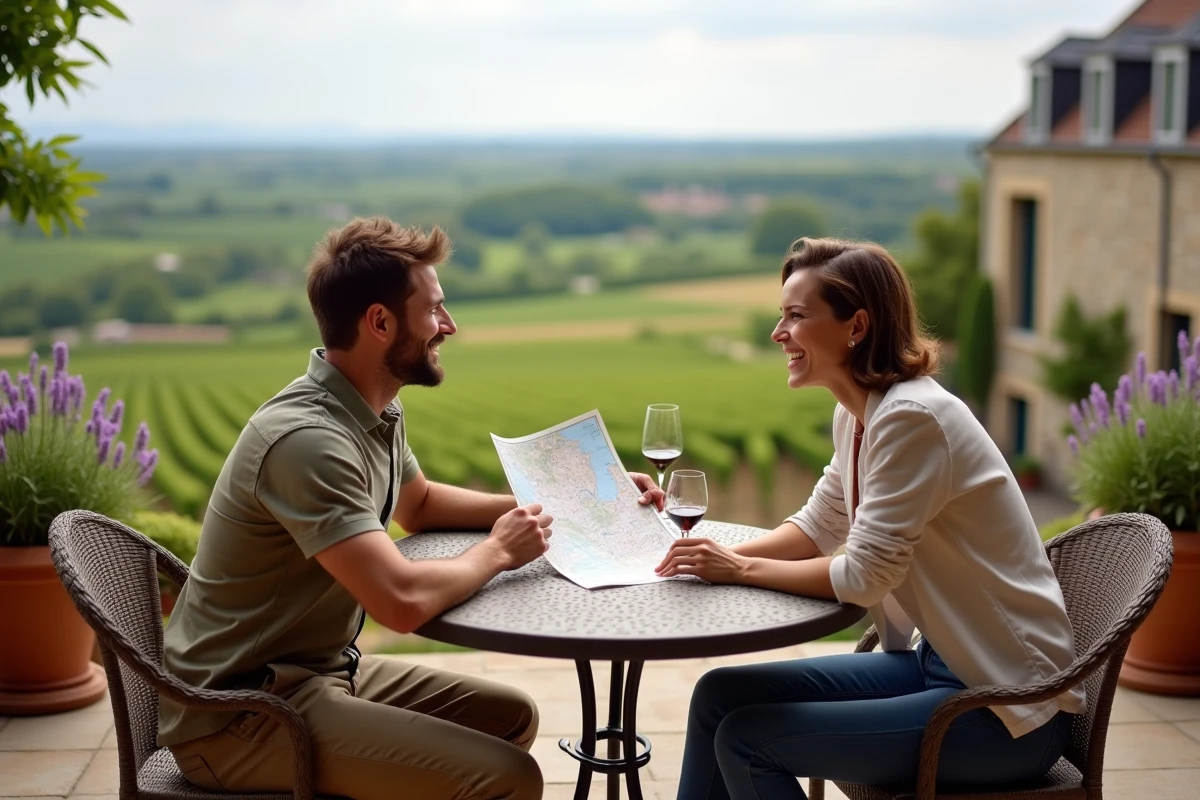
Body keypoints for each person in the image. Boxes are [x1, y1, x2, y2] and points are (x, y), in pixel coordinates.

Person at [158, 216, 665, 800]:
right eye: (434, 310)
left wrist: (579, 499)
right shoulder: (308, 441)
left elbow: (418, 504)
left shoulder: (371, 409)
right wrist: (497, 551)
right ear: (380, 322)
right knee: (507, 777)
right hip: (238, 714)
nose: (448, 325)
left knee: (510, 716)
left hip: (317, 673)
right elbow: (399, 601)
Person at [656, 238, 1085, 800]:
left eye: (796, 316)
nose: (777, 333)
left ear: (855, 326)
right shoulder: (860, 414)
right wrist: (698, 551)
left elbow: (862, 578)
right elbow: (814, 529)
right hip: (942, 666)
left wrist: (735, 568)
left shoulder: (913, 419)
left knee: (749, 738)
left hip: (1003, 710)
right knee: (718, 696)